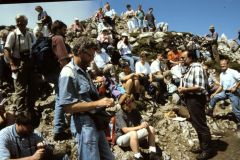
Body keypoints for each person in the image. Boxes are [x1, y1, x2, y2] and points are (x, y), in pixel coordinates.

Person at [58, 37, 115, 160]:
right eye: (89, 55)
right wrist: (97, 103)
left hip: (95, 122)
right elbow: (68, 107)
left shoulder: (84, 72)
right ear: (79, 52)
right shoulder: (68, 72)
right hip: (83, 124)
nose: (92, 59)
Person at [178, 50, 213, 160]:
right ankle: (203, 146)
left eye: (184, 57)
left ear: (191, 58)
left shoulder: (197, 68)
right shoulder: (190, 68)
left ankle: (207, 150)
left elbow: (200, 86)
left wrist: (185, 89)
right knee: (196, 123)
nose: (182, 59)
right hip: (190, 98)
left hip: (196, 99)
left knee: (200, 124)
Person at [4, 14, 36, 112]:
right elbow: (6, 49)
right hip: (18, 64)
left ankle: (30, 110)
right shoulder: (13, 34)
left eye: (21, 21)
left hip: (30, 63)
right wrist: (12, 64)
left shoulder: (30, 34)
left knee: (32, 88)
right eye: (17, 21)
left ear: (26, 22)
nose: (19, 23)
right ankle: (20, 114)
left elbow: (35, 47)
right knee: (20, 90)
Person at [115, 94, 159, 160]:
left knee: (151, 128)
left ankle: (152, 152)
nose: (134, 102)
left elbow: (141, 121)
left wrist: (144, 123)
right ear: (128, 103)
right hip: (121, 138)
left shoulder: (135, 111)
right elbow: (125, 130)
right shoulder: (120, 114)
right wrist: (140, 127)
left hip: (133, 136)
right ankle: (138, 156)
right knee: (133, 133)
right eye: (132, 100)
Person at [51, 20, 72, 141]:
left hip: (53, 72)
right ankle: (58, 130)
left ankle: (60, 125)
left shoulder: (52, 38)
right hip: (59, 72)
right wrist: (68, 72)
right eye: (64, 29)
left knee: (59, 97)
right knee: (60, 99)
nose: (66, 32)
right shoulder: (58, 38)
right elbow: (63, 58)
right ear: (58, 29)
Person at [207, 58, 240, 129]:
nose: (222, 67)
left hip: (233, 92)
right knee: (214, 97)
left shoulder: (233, 72)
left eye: (224, 65)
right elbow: (221, 86)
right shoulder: (222, 74)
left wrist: (235, 87)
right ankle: (209, 111)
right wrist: (214, 93)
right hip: (225, 92)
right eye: (221, 65)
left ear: (228, 65)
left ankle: (239, 122)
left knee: (236, 110)